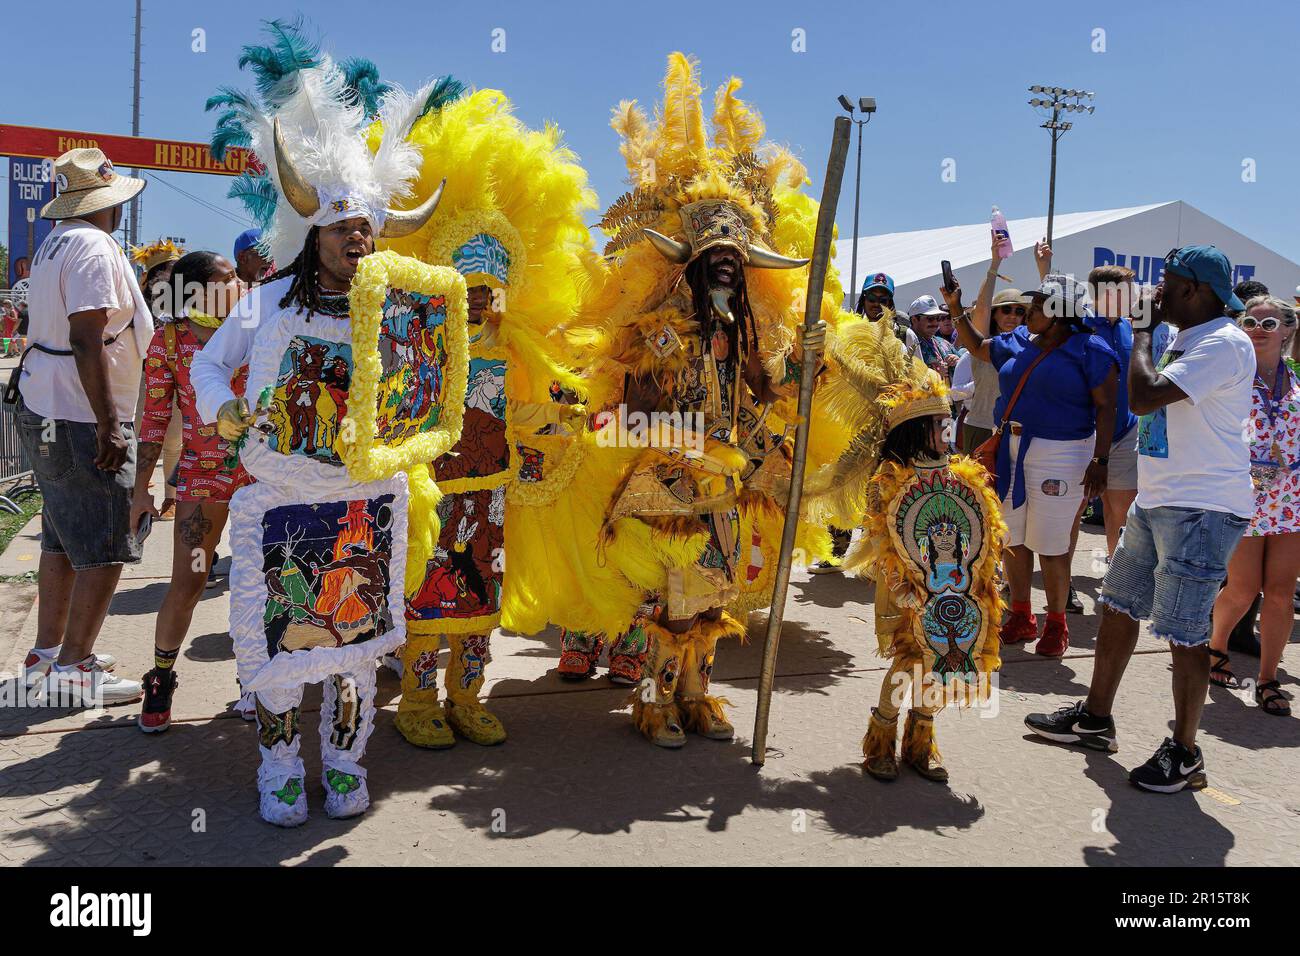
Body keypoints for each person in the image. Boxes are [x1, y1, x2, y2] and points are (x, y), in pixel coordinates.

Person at [193, 30, 446, 825]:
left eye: (367, 230)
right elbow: (205, 367)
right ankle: (276, 768)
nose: (357, 241)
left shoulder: (396, 318)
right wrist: (223, 408)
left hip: (365, 503)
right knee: (272, 652)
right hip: (278, 502)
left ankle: (342, 764)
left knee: (353, 651)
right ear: (313, 233)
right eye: (343, 230)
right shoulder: (265, 302)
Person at [383, 86, 596, 749]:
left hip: (492, 500)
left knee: (478, 605)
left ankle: (466, 697)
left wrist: (564, 414)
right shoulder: (418, 342)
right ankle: (417, 702)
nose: (479, 304)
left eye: (490, 294)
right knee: (426, 600)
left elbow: (515, 413)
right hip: (435, 495)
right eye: (468, 291)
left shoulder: (510, 351)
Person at [1025, 245, 1254, 793]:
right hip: (1157, 500)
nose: (1157, 292)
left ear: (1196, 290)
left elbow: (1145, 395)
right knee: (1118, 606)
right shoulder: (1185, 336)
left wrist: (1145, 333)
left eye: (1168, 281)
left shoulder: (1224, 343)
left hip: (1202, 508)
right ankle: (1095, 719)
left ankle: (1186, 753)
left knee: (1185, 631)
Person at [806, 314, 1005, 783]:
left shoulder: (962, 477)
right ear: (915, 432)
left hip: (956, 589)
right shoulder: (887, 483)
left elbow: (982, 533)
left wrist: (984, 575)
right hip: (905, 590)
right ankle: (882, 739)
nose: (947, 430)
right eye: (938, 424)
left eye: (946, 422)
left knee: (943, 663)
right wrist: (905, 589)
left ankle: (921, 742)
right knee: (908, 662)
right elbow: (882, 542)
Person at [16, 147, 153, 707]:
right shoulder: (95, 248)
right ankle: (76, 667)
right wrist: (110, 426)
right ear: (105, 204)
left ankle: (49, 652)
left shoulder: (55, 244)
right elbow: (86, 337)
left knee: (61, 536)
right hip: (79, 414)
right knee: (104, 544)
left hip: (44, 404)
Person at [949, 273, 1118, 657]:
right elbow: (977, 347)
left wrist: (1101, 460)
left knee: (1053, 545)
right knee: (1015, 538)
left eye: (1039, 305)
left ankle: (1057, 623)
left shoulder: (1092, 350)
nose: (1029, 311)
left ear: (1061, 313)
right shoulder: (1018, 341)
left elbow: (1107, 407)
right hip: (1010, 448)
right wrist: (957, 309)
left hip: (1063, 452)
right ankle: (1021, 616)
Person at [131, 251, 250, 732]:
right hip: (201, 479)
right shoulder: (168, 340)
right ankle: (160, 677)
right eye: (229, 278)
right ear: (199, 291)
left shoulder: (254, 325)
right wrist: (142, 488)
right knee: (189, 583)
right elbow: (155, 417)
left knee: (257, 582)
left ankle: (256, 682)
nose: (240, 283)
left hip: (261, 474)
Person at [1206, 295, 1298, 717]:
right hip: (1241, 498)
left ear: (1287, 331)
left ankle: (1268, 678)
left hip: (1290, 500)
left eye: (1269, 322)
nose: (1259, 328)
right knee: (1243, 590)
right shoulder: (1230, 380)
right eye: (1251, 321)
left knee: (1279, 595)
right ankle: (1217, 645)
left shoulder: (1297, 386)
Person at [131, 239, 185, 521]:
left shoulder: (189, 300)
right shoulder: (137, 301)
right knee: (144, 435)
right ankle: (140, 493)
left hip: (177, 377)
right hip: (143, 376)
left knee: (174, 440)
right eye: (165, 269)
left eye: (175, 269)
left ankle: (171, 499)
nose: (170, 274)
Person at [856, 272, 920, 358]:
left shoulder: (906, 335)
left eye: (883, 300)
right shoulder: (850, 331)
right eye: (872, 298)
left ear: (889, 303)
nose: (876, 304)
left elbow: (920, 370)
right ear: (863, 300)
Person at [908, 294, 957, 385]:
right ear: (914, 320)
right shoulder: (905, 345)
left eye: (938, 318)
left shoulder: (943, 343)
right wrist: (934, 372)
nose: (935, 323)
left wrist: (956, 360)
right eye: (930, 319)